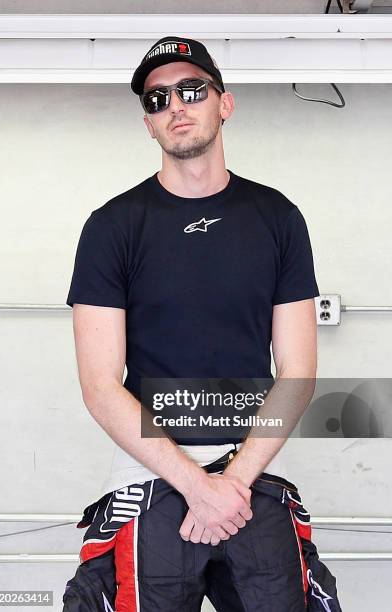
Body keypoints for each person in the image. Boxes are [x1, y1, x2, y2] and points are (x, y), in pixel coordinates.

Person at [62, 35, 342, 612]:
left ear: (225, 104)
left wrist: (231, 483)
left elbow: (298, 371)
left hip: (254, 472)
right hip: (148, 475)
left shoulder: (277, 217)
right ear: (149, 124)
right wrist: (198, 486)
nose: (175, 106)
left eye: (191, 90)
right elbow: (98, 383)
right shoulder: (112, 226)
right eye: (157, 99)